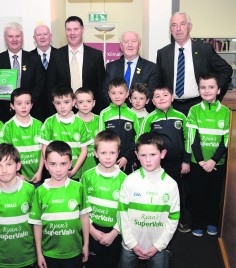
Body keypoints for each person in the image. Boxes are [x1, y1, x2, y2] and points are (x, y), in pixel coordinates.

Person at [117, 133, 180, 268]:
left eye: (153, 155)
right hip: (129, 246)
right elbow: (122, 214)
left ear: (162, 154)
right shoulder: (129, 181)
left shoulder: (171, 184)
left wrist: (159, 246)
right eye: (143, 155)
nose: (148, 160)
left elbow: (173, 218)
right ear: (136, 155)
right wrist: (132, 244)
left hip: (158, 248)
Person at [28, 141, 91, 268]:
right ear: (45, 164)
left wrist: (86, 245)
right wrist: (39, 253)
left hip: (74, 252)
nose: (58, 169)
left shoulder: (78, 188)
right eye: (53, 164)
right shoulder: (39, 191)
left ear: (70, 164)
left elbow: (84, 217)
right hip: (49, 254)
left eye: (63, 164)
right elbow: (37, 224)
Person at [157, 12, 233, 116]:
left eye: (182, 24)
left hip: (198, 106)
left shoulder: (204, 50)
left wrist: (215, 93)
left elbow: (226, 70)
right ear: (171, 30)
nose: (178, 29)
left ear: (190, 27)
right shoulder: (163, 53)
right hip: (171, 108)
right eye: (174, 25)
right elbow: (160, 82)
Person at [140, 85, 191, 233]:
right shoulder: (150, 118)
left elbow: (188, 139)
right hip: (157, 165)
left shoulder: (181, 117)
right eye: (157, 96)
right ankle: (157, 219)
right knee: (157, 192)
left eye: (165, 95)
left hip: (177, 164)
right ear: (153, 102)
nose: (161, 98)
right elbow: (142, 140)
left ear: (172, 98)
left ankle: (179, 220)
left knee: (177, 192)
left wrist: (186, 161)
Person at [186, 74, 230, 237]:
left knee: (214, 194)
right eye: (203, 87)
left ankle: (212, 222)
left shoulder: (226, 112)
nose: (207, 90)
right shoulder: (194, 110)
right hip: (198, 162)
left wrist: (213, 160)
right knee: (197, 193)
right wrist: (201, 160)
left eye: (211, 87)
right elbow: (192, 137)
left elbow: (226, 140)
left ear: (218, 90)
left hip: (217, 163)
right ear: (199, 90)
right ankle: (198, 223)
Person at [0, 143, 36, 267]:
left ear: (18, 165)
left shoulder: (30, 190)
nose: (4, 170)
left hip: (27, 256)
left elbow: (37, 223)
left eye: (9, 164)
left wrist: (39, 251)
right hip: (0, 258)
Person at [80, 130, 127, 268]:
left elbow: (126, 211)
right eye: (103, 153)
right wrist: (91, 230)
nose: (108, 157)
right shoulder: (87, 177)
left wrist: (114, 233)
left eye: (112, 153)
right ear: (95, 153)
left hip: (114, 232)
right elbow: (81, 207)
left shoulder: (125, 179)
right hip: (92, 230)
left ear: (118, 153)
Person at [47, 16, 105, 115]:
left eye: (76, 29)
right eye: (68, 29)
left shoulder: (96, 55)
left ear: (82, 30)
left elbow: (101, 87)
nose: (72, 33)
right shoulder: (56, 55)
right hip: (64, 111)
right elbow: (50, 86)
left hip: (89, 112)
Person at [0, 22, 46, 123]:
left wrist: (26, 103)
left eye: (17, 36)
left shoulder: (34, 59)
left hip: (31, 113)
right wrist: (12, 104)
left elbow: (40, 85)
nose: (14, 39)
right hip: (4, 114)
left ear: (22, 38)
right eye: (10, 36)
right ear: (5, 38)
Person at [39, 85, 92, 180]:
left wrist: (74, 171)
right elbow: (44, 148)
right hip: (54, 174)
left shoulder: (80, 123)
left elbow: (84, 150)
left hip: (74, 174)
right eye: (58, 103)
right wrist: (51, 168)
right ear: (53, 104)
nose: (62, 107)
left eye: (66, 102)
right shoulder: (49, 122)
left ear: (73, 102)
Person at [103, 31, 160, 109]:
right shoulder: (111, 67)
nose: (130, 45)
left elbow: (152, 95)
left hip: (140, 116)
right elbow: (105, 92)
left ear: (139, 45)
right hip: (115, 113)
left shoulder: (151, 68)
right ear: (121, 46)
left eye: (134, 41)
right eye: (126, 42)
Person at [0, 88, 43, 186]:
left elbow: (44, 151)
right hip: (15, 179)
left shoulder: (39, 125)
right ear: (12, 106)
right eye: (19, 104)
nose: (23, 107)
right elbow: (5, 154)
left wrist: (40, 171)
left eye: (27, 103)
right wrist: (17, 174)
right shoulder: (8, 127)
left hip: (37, 177)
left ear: (31, 105)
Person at [99, 77, 140, 175]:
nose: (117, 96)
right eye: (113, 93)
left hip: (127, 160)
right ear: (109, 94)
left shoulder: (132, 114)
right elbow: (101, 139)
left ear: (127, 94)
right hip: (109, 161)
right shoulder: (104, 113)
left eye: (120, 93)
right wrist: (110, 158)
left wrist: (127, 157)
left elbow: (137, 138)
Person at [31, 24, 57, 120]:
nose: (42, 37)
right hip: (34, 110)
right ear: (34, 38)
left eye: (45, 34)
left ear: (51, 36)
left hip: (57, 108)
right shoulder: (28, 57)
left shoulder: (61, 55)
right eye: (38, 35)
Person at [75, 87, 99, 173]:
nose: (85, 105)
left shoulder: (100, 120)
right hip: (77, 170)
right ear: (75, 104)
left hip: (96, 168)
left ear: (94, 103)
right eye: (81, 102)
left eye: (88, 101)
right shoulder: (72, 121)